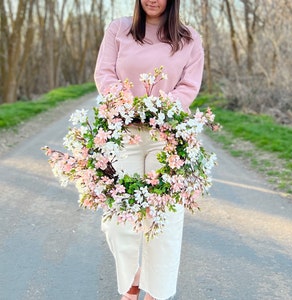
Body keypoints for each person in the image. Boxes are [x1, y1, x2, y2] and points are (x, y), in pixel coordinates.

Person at [94, 0, 204, 299]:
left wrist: (160, 109)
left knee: (163, 221)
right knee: (118, 218)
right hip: (124, 131)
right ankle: (132, 278)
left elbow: (188, 86)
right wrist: (132, 106)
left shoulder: (189, 38)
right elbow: (104, 74)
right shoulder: (119, 29)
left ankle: (157, 291)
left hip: (166, 136)